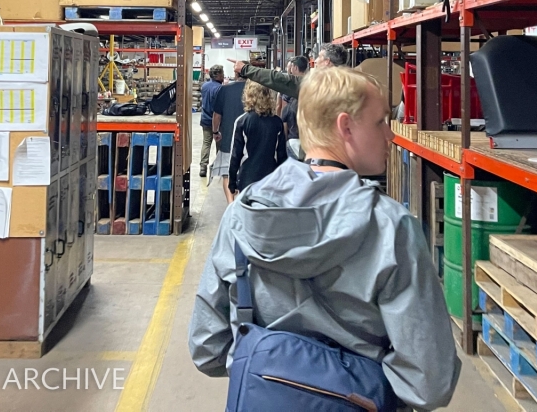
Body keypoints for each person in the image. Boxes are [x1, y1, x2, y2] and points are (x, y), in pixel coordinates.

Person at [189, 66, 461, 410]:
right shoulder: (391, 228)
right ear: (345, 126)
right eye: (380, 122)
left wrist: (276, 373)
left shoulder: (242, 214)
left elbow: (207, 346)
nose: (390, 136)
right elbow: (429, 382)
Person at [229, 81, 286, 201]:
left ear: (249, 95)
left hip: (247, 179)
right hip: (270, 178)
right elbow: (282, 156)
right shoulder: (277, 122)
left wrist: (232, 182)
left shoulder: (242, 121)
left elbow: (235, 156)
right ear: (269, 96)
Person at [229, 42, 347, 99]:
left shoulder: (321, 85)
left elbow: (278, 79)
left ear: (327, 62)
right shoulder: (348, 84)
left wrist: (245, 69)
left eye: (319, 57)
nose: (315, 60)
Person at [210, 77, 246, 203]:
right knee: (245, 172)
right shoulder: (254, 89)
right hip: (249, 139)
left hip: (228, 137)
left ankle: (230, 204)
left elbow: (217, 115)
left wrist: (215, 132)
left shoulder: (224, 90)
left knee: (227, 172)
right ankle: (241, 203)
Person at [279, 56, 308, 160]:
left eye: (290, 67)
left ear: (295, 67)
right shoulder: (313, 83)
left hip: (293, 136)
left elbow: (283, 110)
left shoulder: (289, 85)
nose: (289, 70)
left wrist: (284, 137)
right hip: (310, 139)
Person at [199, 65, 224, 178]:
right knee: (220, 143)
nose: (223, 75)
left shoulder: (204, 86)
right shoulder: (220, 88)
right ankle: (218, 166)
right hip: (217, 121)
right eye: (222, 73)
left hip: (205, 118)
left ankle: (203, 167)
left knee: (206, 143)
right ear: (218, 75)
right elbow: (220, 108)